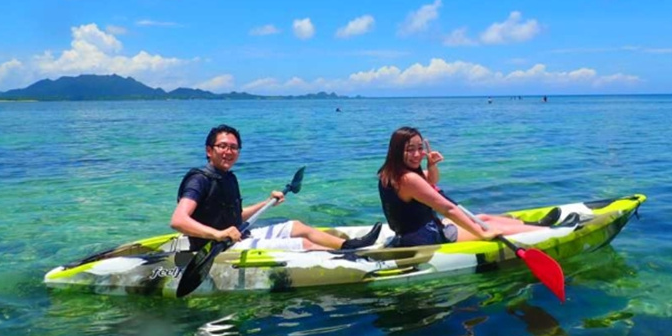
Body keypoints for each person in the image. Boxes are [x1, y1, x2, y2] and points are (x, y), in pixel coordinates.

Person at [171, 124, 381, 252]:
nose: (228, 151)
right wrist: (217, 235)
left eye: (233, 147)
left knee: (297, 226)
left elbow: (235, 217)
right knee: (302, 243)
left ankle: (349, 246)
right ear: (209, 150)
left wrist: (267, 203)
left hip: (238, 237)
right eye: (222, 146)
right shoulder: (199, 180)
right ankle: (348, 259)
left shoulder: (228, 177)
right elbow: (178, 220)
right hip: (215, 247)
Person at [377, 126, 548, 247]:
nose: (417, 154)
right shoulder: (408, 179)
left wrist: (431, 165)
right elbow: (448, 209)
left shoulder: (390, 172)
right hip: (425, 236)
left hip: (413, 231)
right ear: (397, 150)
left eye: (420, 148)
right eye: (410, 149)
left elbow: (430, 182)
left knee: (483, 217)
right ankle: (548, 232)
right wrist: (482, 234)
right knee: (492, 228)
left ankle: (537, 225)